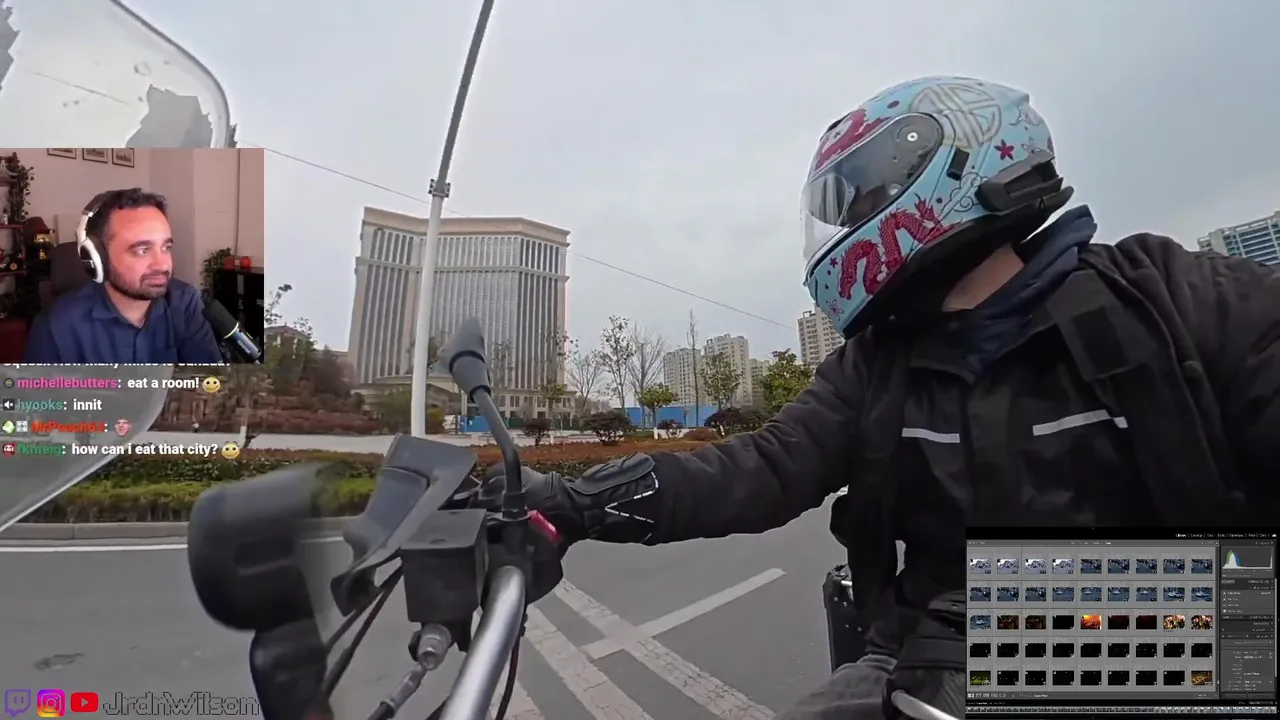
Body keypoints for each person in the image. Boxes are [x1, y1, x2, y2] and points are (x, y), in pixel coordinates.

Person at [488, 75, 1280, 719]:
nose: (851, 223)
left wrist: (1039, 635)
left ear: (955, 160)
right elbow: (765, 466)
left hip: (1188, 656)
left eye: (861, 197)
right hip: (918, 666)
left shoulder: (1178, 298)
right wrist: (575, 504)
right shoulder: (876, 364)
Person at [22, 188, 224, 365]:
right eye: (142, 250)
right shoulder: (57, 326)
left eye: (166, 247)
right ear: (96, 257)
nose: (163, 265)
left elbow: (210, 384)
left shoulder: (184, 303)